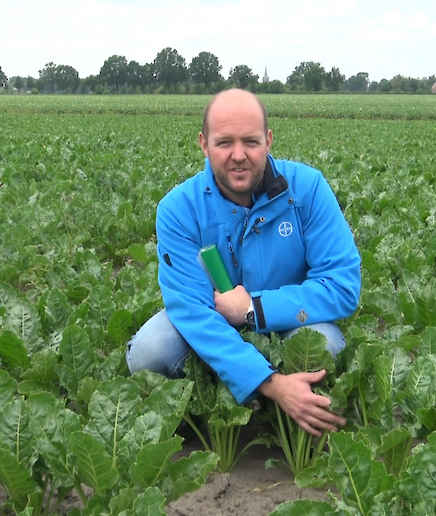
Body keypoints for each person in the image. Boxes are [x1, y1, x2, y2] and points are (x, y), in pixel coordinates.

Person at [126, 89, 361, 436]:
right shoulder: (178, 209)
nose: (239, 155)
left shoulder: (308, 189)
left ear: (268, 141)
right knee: (150, 351)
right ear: (204, 144)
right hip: (212, 316)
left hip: (287, 321)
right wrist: (272, 383)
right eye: (224, 143)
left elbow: (341, 287)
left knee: (325, 347)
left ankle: (290, 426)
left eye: (251, 142)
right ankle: (212, 418)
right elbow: (192, 311)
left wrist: (254, 309)